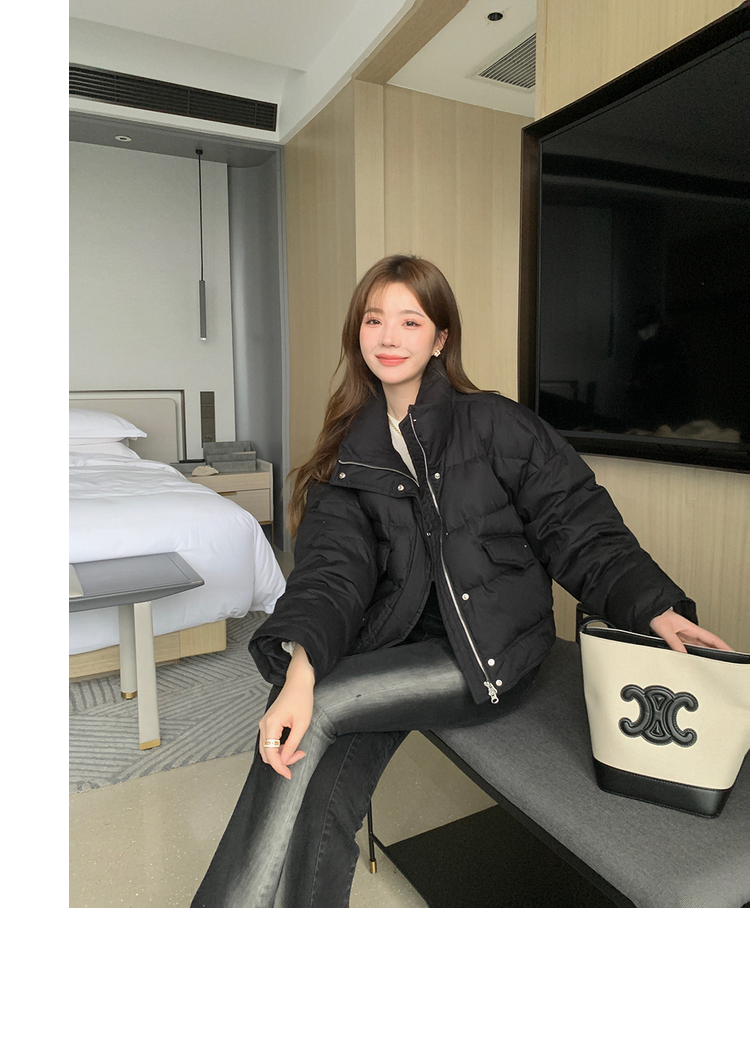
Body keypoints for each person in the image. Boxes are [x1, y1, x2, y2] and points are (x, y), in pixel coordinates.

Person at [191, 256, 730, 909]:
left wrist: (654, 607)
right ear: (357, 334)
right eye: (374, 320)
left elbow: (578, 526)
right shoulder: (351, 452)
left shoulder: (496, 424)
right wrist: (298, 672)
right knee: (319, 779)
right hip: (392, 644)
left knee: (320, 709)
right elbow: (332, 570)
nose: (389, 337)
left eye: (410, 321)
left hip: (485, 648)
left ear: (440, 338)